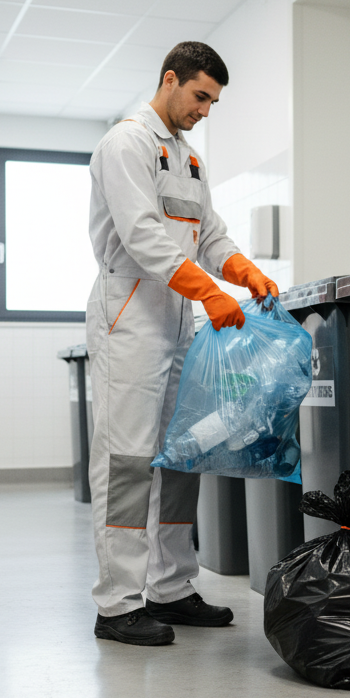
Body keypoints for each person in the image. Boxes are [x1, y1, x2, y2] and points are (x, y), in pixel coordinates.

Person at [86, 41, 278, 646]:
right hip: (130, 320)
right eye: (200, 96)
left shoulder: (188, 160)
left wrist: (242, 270)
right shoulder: (126, 144)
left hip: (177, 322)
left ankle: (171, 587)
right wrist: (208, 291)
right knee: (129, 460)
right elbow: (142, 235)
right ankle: (117, 602)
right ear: (170, 79)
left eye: (214, 101)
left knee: (180, 455)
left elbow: (209, 235)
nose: (205, 109)